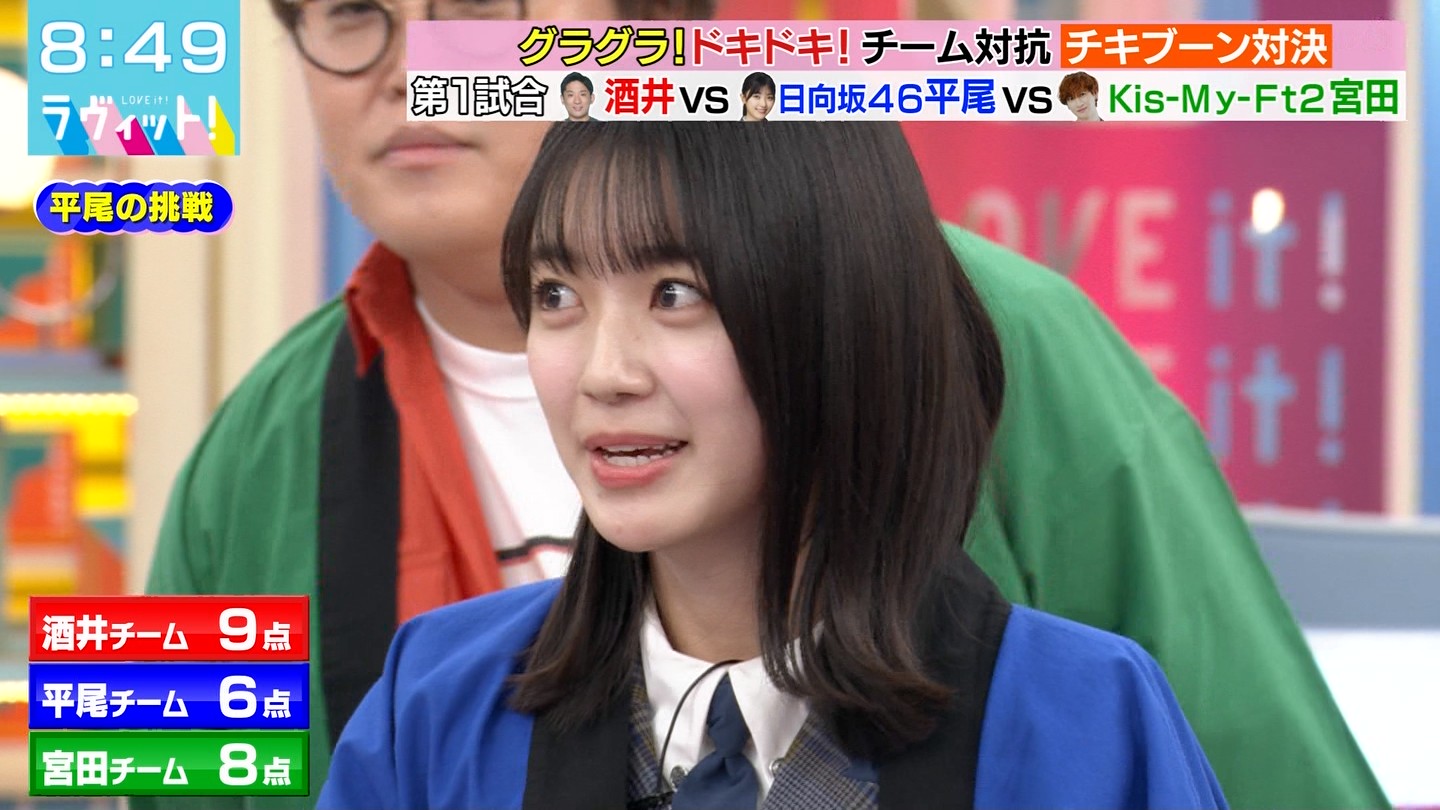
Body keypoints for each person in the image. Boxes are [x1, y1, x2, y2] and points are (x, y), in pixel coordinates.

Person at [143, 0, 1390, 807]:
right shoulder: (249, 453)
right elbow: (159, 773)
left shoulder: (992, 336)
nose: (419, 68)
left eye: (477, 10)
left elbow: (1258, 761)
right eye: (350, 15)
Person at [318, 120, 1227, 810]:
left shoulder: (1086, 722)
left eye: (676, 294)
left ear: (843, 317)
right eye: (557, 296)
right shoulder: (435, 703)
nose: (602, 372)